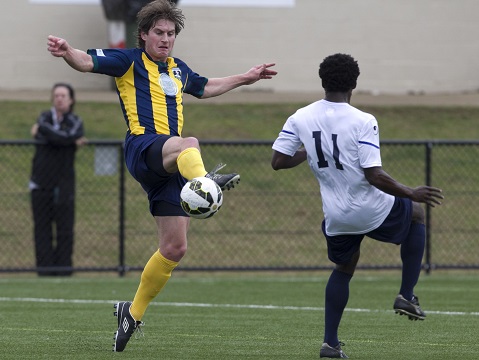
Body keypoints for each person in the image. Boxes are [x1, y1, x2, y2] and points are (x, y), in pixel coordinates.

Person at [47, 0, 277, 352]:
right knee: (190, 143)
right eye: (159, 33)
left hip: (171, 164)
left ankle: (132, 312)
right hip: (144, 148)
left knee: (175, 247)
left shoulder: (177, 69)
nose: (166, 39)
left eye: (170, 34)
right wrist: (66, 52)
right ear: (143, 35)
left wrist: (247, 77)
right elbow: (87, 61)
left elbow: (206, 87)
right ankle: (204, 182)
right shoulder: (129, 61)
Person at [271, 53, 443, 359]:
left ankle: (330, 344)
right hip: (371, 207)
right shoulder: (364, 120)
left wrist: (309, 152)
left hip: (337, 215)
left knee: (344, 268)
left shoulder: (300, 116)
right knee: (415, 213)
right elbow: (374, 174)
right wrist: (410, 192)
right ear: (354, 83)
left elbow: (278, 161)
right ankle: (406, 294)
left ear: (322, 82)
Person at [30, 83, 87, 276]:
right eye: (56, 95)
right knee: (42, 229)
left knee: (64, 229)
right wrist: (68, 141)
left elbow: (69, 135)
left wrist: (45, 133)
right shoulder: (44, 117)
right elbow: (66, 138)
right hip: (40, 183)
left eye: (63, 95)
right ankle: (44, 270)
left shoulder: (75, 121)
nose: (59, 99)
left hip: (64, 185)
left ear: (71, 100)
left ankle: (63, 270)